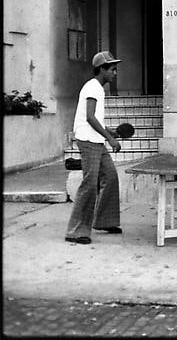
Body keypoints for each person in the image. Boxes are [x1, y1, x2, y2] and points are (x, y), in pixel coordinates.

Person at [64, 51, 123, 245]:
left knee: (111, 176)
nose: (115, 73)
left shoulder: (97, 88)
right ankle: (75, 231)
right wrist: (111, 140)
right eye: (112, 70)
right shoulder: (92, 87)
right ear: (102, 70)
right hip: (88, 141)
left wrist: (109, 131)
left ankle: (104, 222)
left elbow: (93, 118)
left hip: (96, 139)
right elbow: (89, 118)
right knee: (89, 184)